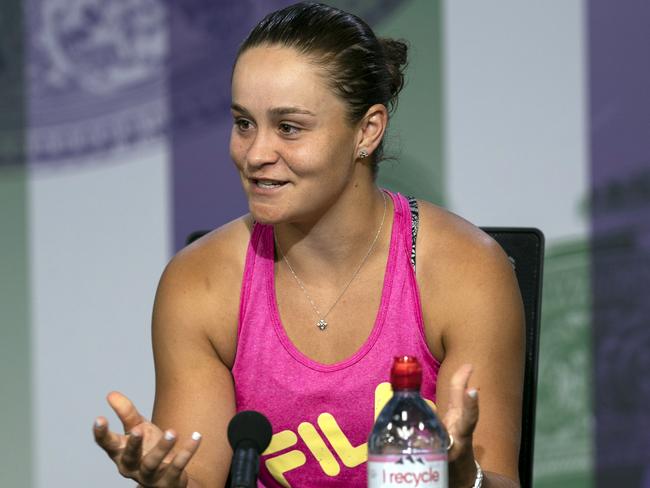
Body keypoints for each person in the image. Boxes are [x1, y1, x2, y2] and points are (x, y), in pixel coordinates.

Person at [93, 2, 524, 487]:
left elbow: (499, 479)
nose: (255, 154)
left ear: (367, 130)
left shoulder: (466, 270)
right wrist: (168, 484)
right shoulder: (200, 283)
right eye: (243, 123)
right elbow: (204, 477)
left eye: (289, 128)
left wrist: (465, 473)